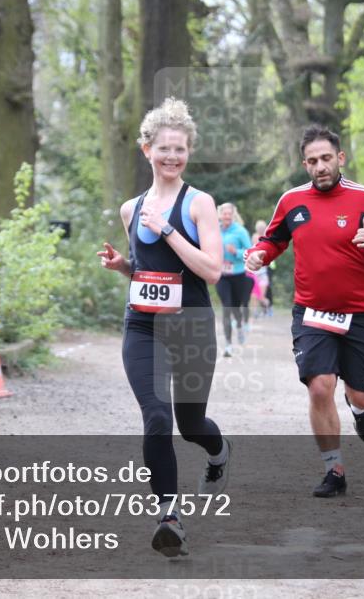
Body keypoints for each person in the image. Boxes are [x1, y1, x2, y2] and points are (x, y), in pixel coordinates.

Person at [97, 97, 232, 557]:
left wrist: (170, 230)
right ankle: (169, 517)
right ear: (146, 150)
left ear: (188, 152)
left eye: (181, 150)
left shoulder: (200, 204)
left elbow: (212, 271)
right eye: (164, 149)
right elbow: (147, 272)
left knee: (192, 424)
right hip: (143, 327)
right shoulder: (130, 209)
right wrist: (123, 267)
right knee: (157, 416)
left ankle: (218, 453)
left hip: (191, 326)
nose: (172, 157)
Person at [245, 124, 364, 498]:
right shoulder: (291, 202)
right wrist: (259, 255)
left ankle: (360, 409)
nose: (320, 167)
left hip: (360, 312)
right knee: (319, 386)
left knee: (362, 395)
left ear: (340, 159)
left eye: (327, 159)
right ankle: (334, 469)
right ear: (305, 164)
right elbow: (274, 240)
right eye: (313, 161)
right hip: (312, 313)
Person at [216, 203, 253, 357]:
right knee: (226, 308)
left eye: (229, 214)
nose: (227, 216)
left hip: (238, 275)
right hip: (221, 275)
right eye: (224, 213)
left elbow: (250, 251)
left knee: (236, 308)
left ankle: (239, 325)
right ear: (220, 215)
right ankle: (228, 345)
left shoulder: (240, 231)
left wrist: (236, 251)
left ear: (233, 215)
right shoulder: (214, 229)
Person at [249, 220, 272, 318]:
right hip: (254, 273)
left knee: (261, 296)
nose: (261, 229)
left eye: (262, 228)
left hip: (263, 273)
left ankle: (268, 309)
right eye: (259, 228)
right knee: (254, 295)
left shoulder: (267, 237)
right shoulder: (255, 237)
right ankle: (255, 312)